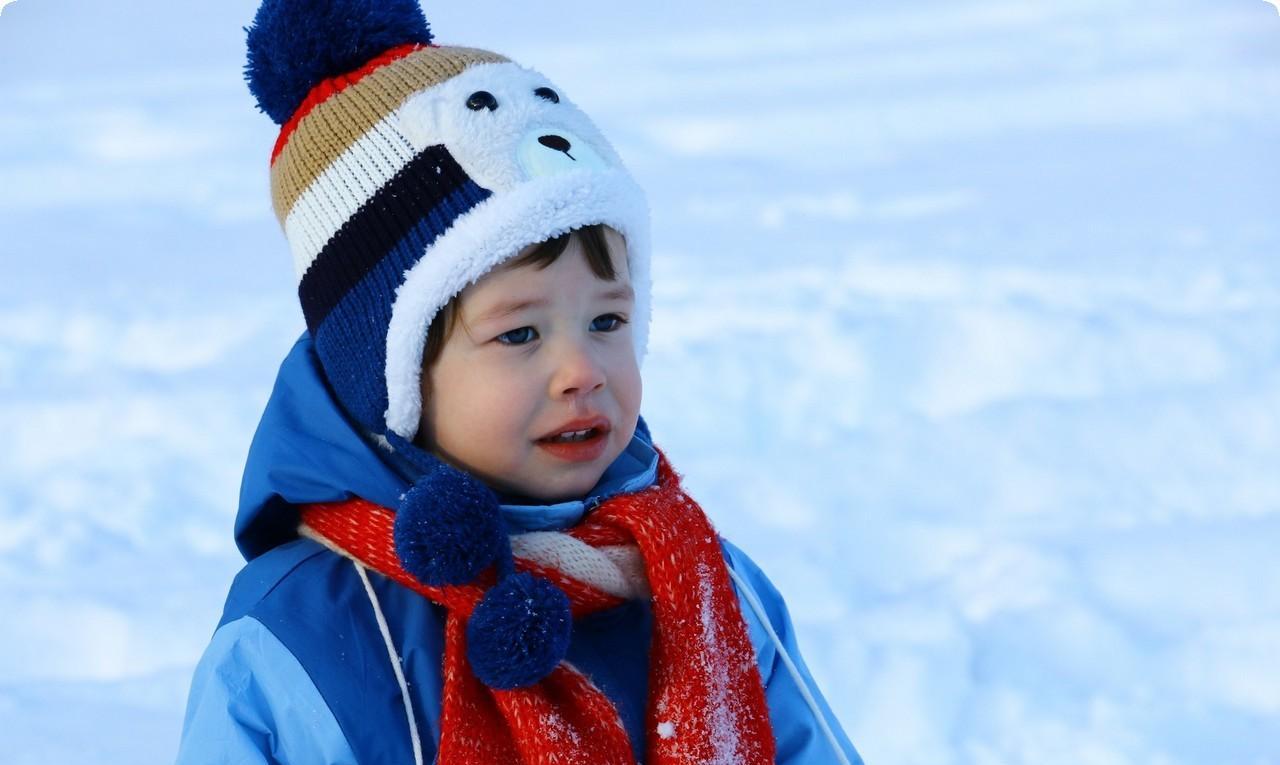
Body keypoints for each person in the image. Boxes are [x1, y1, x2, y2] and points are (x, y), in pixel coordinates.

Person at [176, 1, 864, 763]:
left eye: (607, 321)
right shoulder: (295, 633)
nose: (582, 371)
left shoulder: (704, 586)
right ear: (391, 379)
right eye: (519, 334)